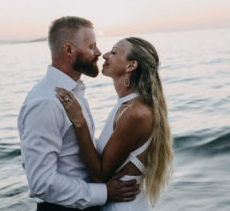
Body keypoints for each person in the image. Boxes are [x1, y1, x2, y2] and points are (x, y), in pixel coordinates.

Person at [17, 16, 139, 211]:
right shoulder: (47, 102)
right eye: (92, 47)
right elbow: (41, 183)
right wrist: (104, 192)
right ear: (69, 50)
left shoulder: (72, 92)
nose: (99, 53)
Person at [56, 37, 174, 210]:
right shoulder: (126, 105)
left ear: (131, 66)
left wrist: (79, 121)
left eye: (113, 52)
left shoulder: (135, 113)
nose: (104, 55)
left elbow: (100, 175)